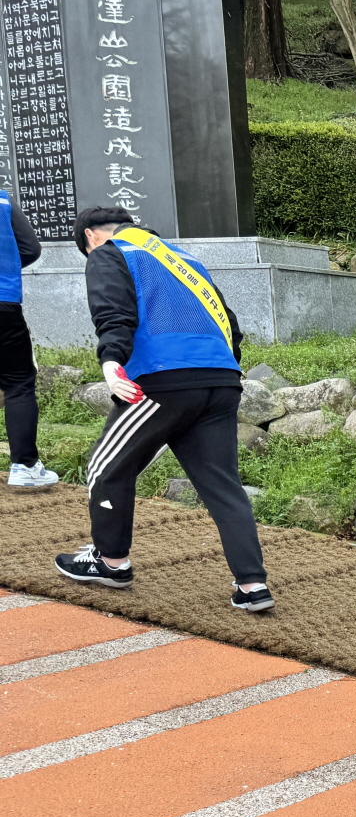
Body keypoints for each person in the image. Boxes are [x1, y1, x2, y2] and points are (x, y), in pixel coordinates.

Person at [53, 207, 273, 612]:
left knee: (106, 467)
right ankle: (252, 584)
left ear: (90, 236)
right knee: (223, 486)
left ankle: (110, 562)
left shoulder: (110, 251)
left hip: (160, 380)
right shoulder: (183, 259)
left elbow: (113, 311)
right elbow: (230, 325)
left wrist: (110, 362)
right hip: (221, 379)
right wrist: (223, 371)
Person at [1, 186, 57, 488]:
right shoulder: (3, 200)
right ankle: (24, 467)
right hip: (3, 302)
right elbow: (31, 249)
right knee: (17, 384)